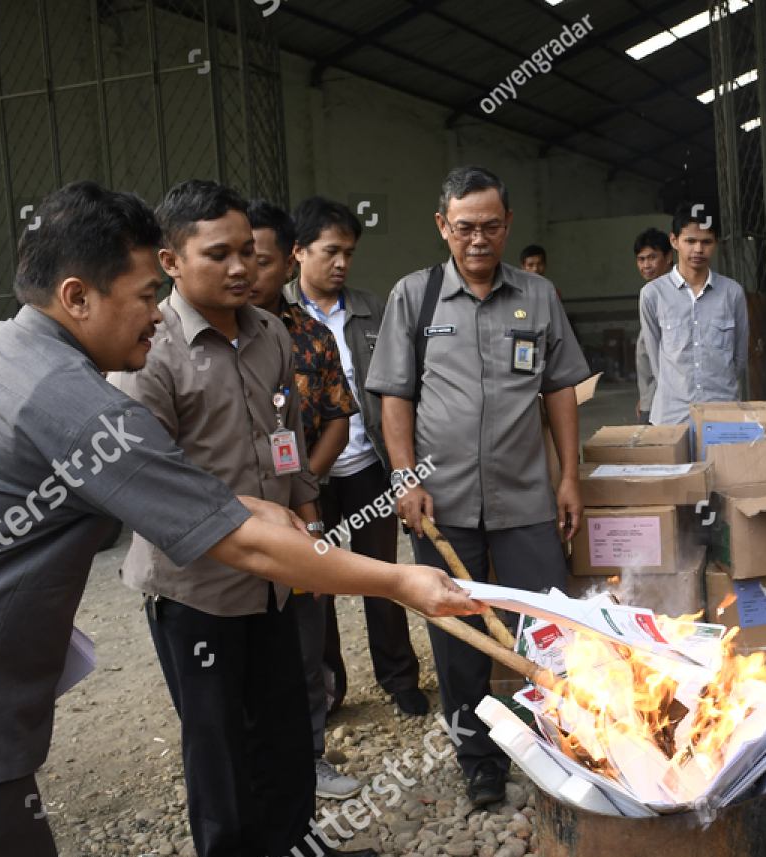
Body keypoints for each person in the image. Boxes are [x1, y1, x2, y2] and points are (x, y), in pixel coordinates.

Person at [0, 181, 480, 857]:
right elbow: (225, 529)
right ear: (75, 297)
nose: (155, 312)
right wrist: (403, 581)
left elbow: (241, 483)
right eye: (143, 294)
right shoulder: (73, 399)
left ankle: (289, 842)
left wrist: (310, 521)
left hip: (232, 577)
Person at [118, 180, 375, 857]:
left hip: (276, 570)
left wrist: (305, 514)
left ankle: (292, 844)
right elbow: (147, 479)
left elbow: (285, 435)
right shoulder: (152, 350)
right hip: (195, 582)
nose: (239, 267)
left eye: (246, 252)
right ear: (171, 260)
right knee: (218, 733)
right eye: (218, 254)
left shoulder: (269, 333)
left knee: (286, 715)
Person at [367, 165, 590, 809]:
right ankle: (478, 758)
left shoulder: (538, 296)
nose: (479, 239)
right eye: (465, 227)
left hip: (526, 498)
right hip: (444, 503)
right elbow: (395, 398)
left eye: (491, 226)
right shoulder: (415, 296)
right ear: (443, 226)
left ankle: (558, 745)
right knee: (457, 635)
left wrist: (568, 477)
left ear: (508, 224)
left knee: (544, 627)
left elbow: (560, 390)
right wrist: (405, 479)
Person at [285, 197, 428, 719]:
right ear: (297, 251)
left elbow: (398, 389)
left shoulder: (372, 309)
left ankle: (399, 678)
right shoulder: (275, 315)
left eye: (349, 252)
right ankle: (327, 690)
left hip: (368, 468)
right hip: (308, 478)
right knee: (316, 585)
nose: (342, 262)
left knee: (381, 577)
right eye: (330, 251)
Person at [247, 199, 363, 799]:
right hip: (233, 522)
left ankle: (309, 753)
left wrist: (303, 496)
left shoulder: (305, 337)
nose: (246, 272)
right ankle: (254, 767)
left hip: (300, 505)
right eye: (235, 256)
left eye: (257, 259)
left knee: (304, 632)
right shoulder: (196, 340)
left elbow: (336, 419)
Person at [640, 202, 749, 426]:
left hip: (723, 414)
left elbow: (739, 358)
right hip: (672, 416)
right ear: (674, 241)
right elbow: (655, 358)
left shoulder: (732, 293)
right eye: (690, 241)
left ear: (716, 243)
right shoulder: (653, 295)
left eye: (706, 242)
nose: (698, 249)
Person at [632, 227, 672, 423]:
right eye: (641, 259)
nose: (646, 265)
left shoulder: (673, 295)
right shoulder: (650, 293)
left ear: (669, 257)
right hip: (652, 397)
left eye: (652, 257)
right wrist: (645, 395)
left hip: (667, 401)